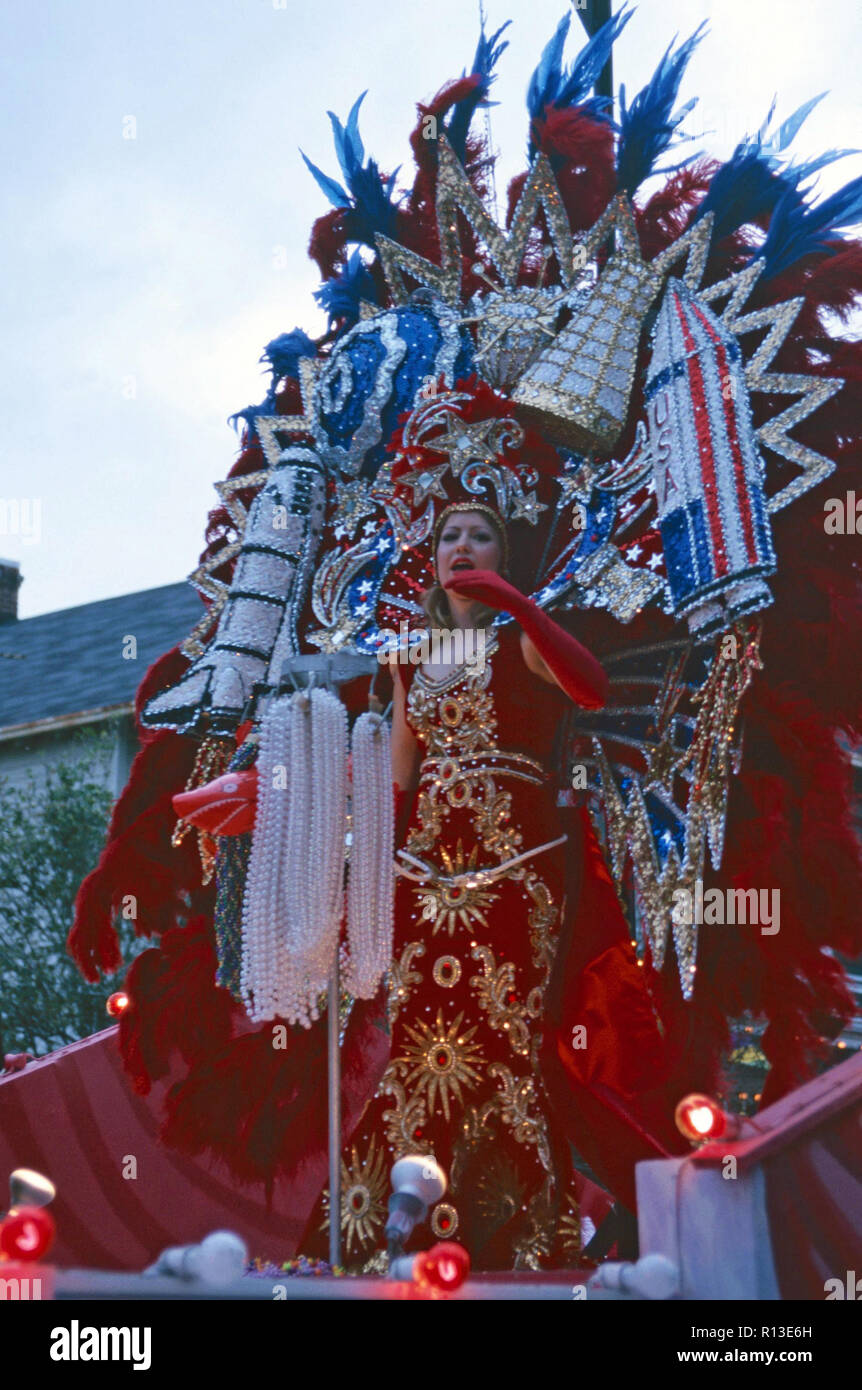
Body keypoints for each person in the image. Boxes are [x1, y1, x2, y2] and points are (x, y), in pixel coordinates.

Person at [298, 501, 646, 1272]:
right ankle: (388, 1226)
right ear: (432, 558)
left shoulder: (521, 640)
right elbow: (398, 782)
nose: (462, 545)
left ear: (505, 554)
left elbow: (589, 688)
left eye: (480, 535)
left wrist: (518, 604)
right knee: (419, 1047)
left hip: (512, 878)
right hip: (423, 880)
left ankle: (512, 1234)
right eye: (449, 536)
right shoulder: (410, 658)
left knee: (503, 1041)